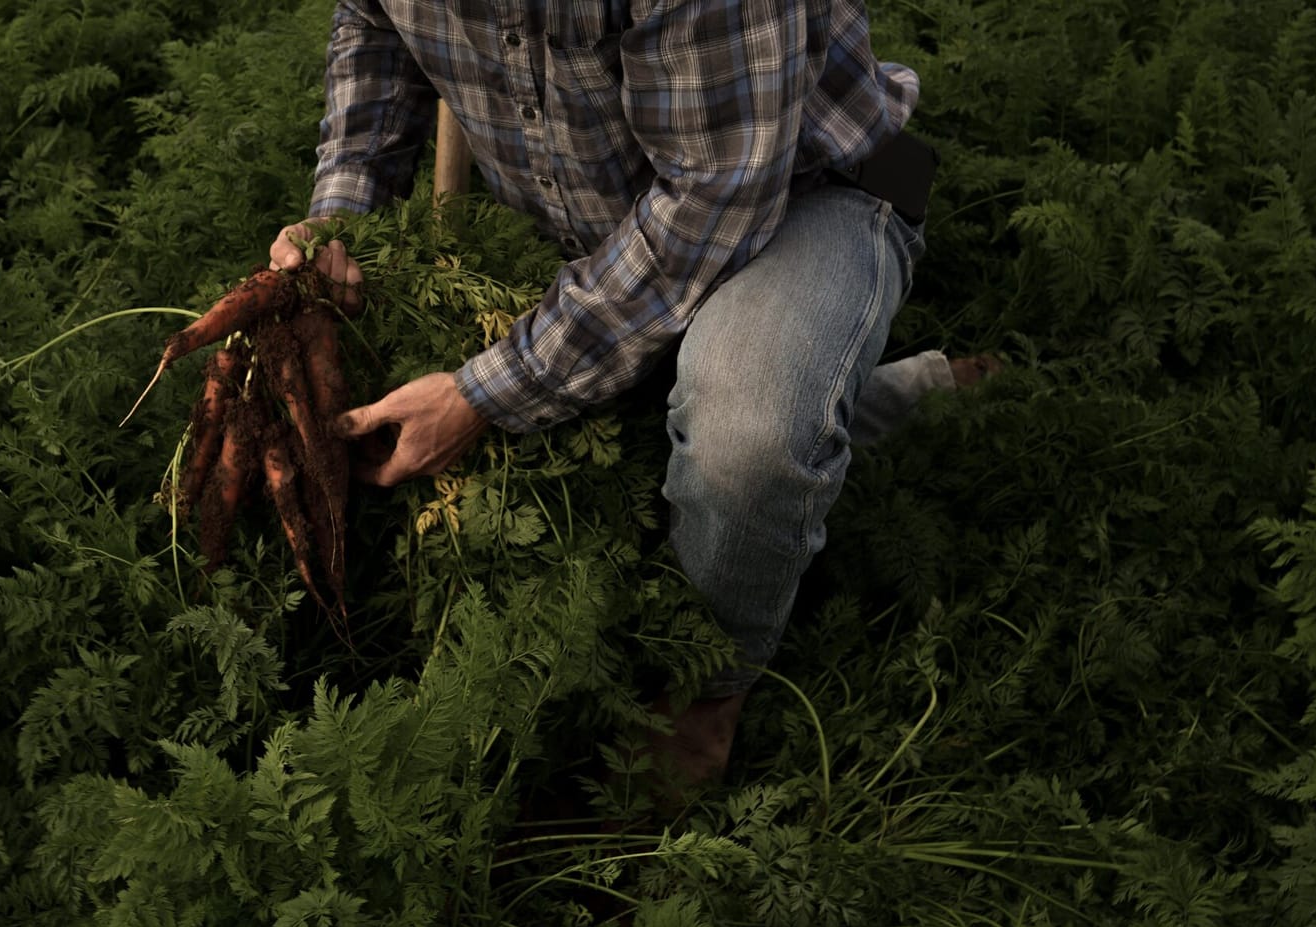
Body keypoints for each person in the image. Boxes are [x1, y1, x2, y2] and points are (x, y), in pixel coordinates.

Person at [271, 1, 989, 791]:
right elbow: (373, 24)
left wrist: (484, 392)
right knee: (667, 426)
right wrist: (343, 215)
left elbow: (717, 199)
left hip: (799, 194)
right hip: (601, 230)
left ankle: (704, 698)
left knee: (745, 440)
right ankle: (891, 401)